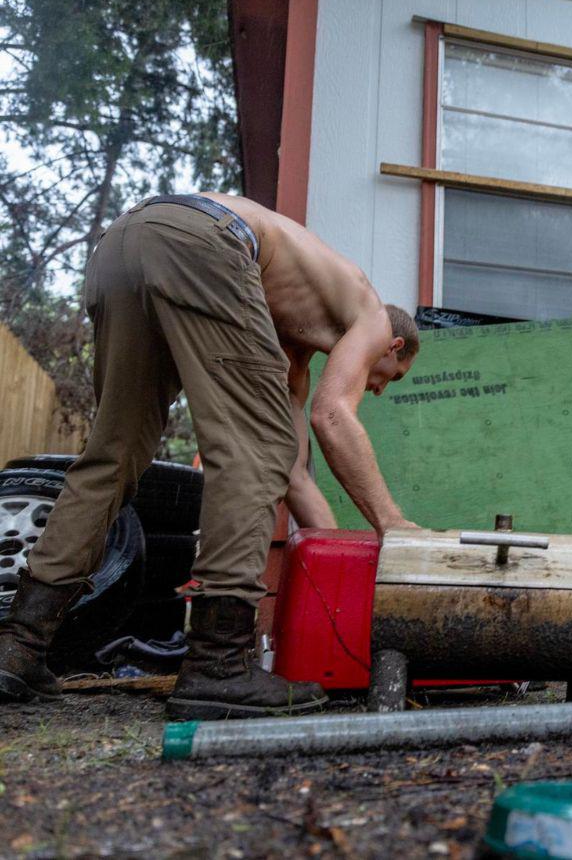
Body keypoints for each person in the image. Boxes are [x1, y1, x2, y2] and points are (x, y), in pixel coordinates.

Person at [0, 193, 421, 718]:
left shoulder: (286, 338)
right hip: (204, 241)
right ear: (395, 348)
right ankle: (218, 665)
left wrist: (333, 565)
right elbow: (332, 416)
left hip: (125, 242)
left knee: (113, 455)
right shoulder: (374, 316)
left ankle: (18, 646)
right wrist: (394, 526)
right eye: (389, 380)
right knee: (253, 446)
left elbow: (290, 471)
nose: (378, 389)